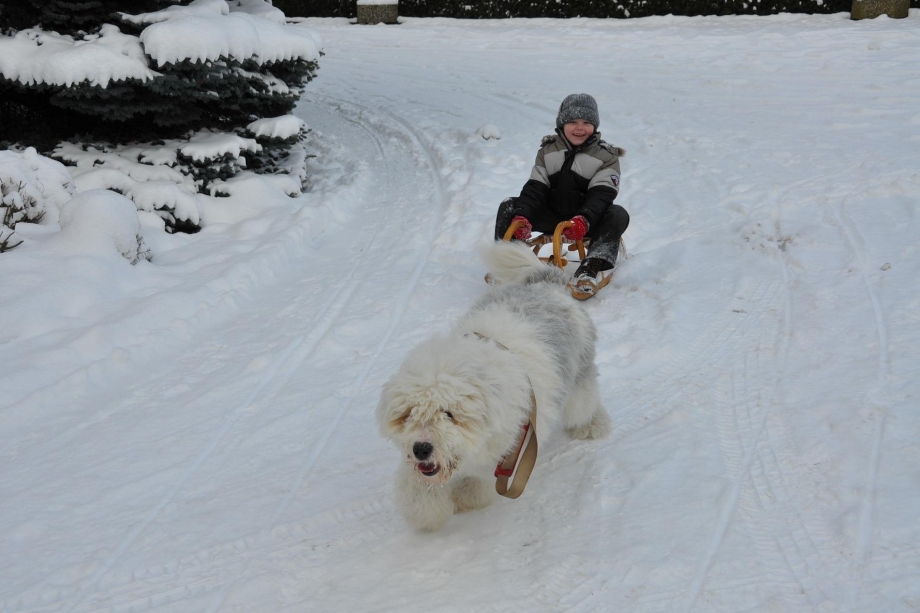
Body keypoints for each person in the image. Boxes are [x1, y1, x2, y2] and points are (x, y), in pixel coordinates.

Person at [494, 93, 629, 298]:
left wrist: (584, 220)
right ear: (561, 124)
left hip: (587, 220)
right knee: (509, 206)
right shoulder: (548, 151)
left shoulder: (606, 156)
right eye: (572, 122)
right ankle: (509, 260)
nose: (579, 128)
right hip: (552, 215)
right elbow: (536, 188)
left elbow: (602, 194)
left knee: (617, 214)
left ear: (595, 126)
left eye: (586, 122)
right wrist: (524, 216)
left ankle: (591, 267)